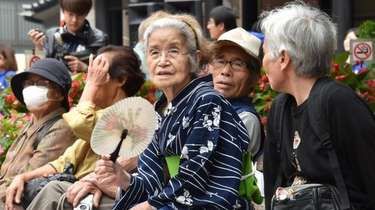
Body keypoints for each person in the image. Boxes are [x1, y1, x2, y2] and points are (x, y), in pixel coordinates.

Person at [95, 17, 251, 209]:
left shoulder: (208, 101)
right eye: (154, 52)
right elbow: (152, 182)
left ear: (194, 58)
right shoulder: (158, 111)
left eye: (173, 51)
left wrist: (151, 206)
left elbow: (195, 178)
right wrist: (124, 178)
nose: (162, 61)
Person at [261, 2, 375, 210]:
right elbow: (274, 186)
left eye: (266, 52)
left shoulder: (339, 103)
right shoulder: (280, 108)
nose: (263, 62)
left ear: (283, 58)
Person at [5, 46, 145, 210]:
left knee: (51, 192)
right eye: (91, 72)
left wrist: (91, 86)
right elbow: (64, 162)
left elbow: (78, 123)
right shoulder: (98, 115)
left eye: (98, 72)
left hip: (97, 196)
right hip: (77, 190)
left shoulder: (132, 115)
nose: (90, 77)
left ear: (120, 80)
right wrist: (23, 177)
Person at [0, 58, 75, 209]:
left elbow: (30, 177)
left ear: (60, 94)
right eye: (28, 83)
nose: (32, 88)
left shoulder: (62, 127)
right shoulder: (32, 123)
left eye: (42, 83)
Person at [28, 0, 108, 72]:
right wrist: (39, 48)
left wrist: (85, 68)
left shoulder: (99, 38)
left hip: (88, 86)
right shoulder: (51, 35)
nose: (74, 20)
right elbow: (42, 67)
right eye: (70, 14)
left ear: (86, 14)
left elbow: (106, 70)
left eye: (79, 15)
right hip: (57, 86)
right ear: (63, 11)